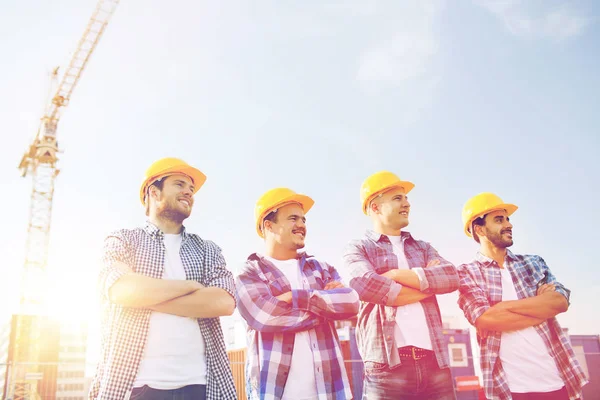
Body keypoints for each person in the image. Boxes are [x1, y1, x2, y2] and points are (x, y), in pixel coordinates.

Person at [89, 157, 237, 400]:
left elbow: (223, 302)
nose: (189, 192)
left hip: (202, 386)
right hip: (137, 386)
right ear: (154, 192)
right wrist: (189, 287)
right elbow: (119, 289)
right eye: (180, 184)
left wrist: (142, 296)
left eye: (191, 189)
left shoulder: (207, 250)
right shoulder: (123, 241)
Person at [457, 192, 588, 400]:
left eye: (508, 219)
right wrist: (540, 309)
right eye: (499, 220)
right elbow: (485, 319)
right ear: (479, 229)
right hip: (511, 390)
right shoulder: (467, 273)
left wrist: (502, 308)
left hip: (559, 380)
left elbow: (560, 301)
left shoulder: (533, 263)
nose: (508, 225)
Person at [343, 171, 459, 400]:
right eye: (398, 198)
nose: (407, 204)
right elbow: (364, 285)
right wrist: (428, 284)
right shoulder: (358, 248)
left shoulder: (423, 247)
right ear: (375, 207)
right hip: (386, 369)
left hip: (436, 363)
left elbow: (452, 277)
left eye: (406, 199)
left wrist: (394, 275)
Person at [236, 187, 360, 400]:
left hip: (330, 393)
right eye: (293, 218)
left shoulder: (321, 268)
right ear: (268, 225)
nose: (302, 225)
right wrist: (324, 306)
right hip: (274, 393)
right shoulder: (250, 271)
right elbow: (265, 316)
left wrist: (293, 298)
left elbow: (351, 302)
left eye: (304, 220)